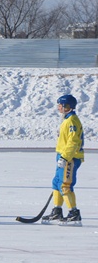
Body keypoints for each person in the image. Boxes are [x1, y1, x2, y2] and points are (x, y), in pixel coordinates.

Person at [42, 94, 85, 225]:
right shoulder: (66, 120)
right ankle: (57, 210)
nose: (58, 107)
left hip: (69, 158)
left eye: (60, 105)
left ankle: (74, 212)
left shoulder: (72, 121)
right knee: (56, 183)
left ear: (67, 107)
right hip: (62, 156)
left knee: (65, 185)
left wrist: (65, 157)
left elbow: (73, 142)